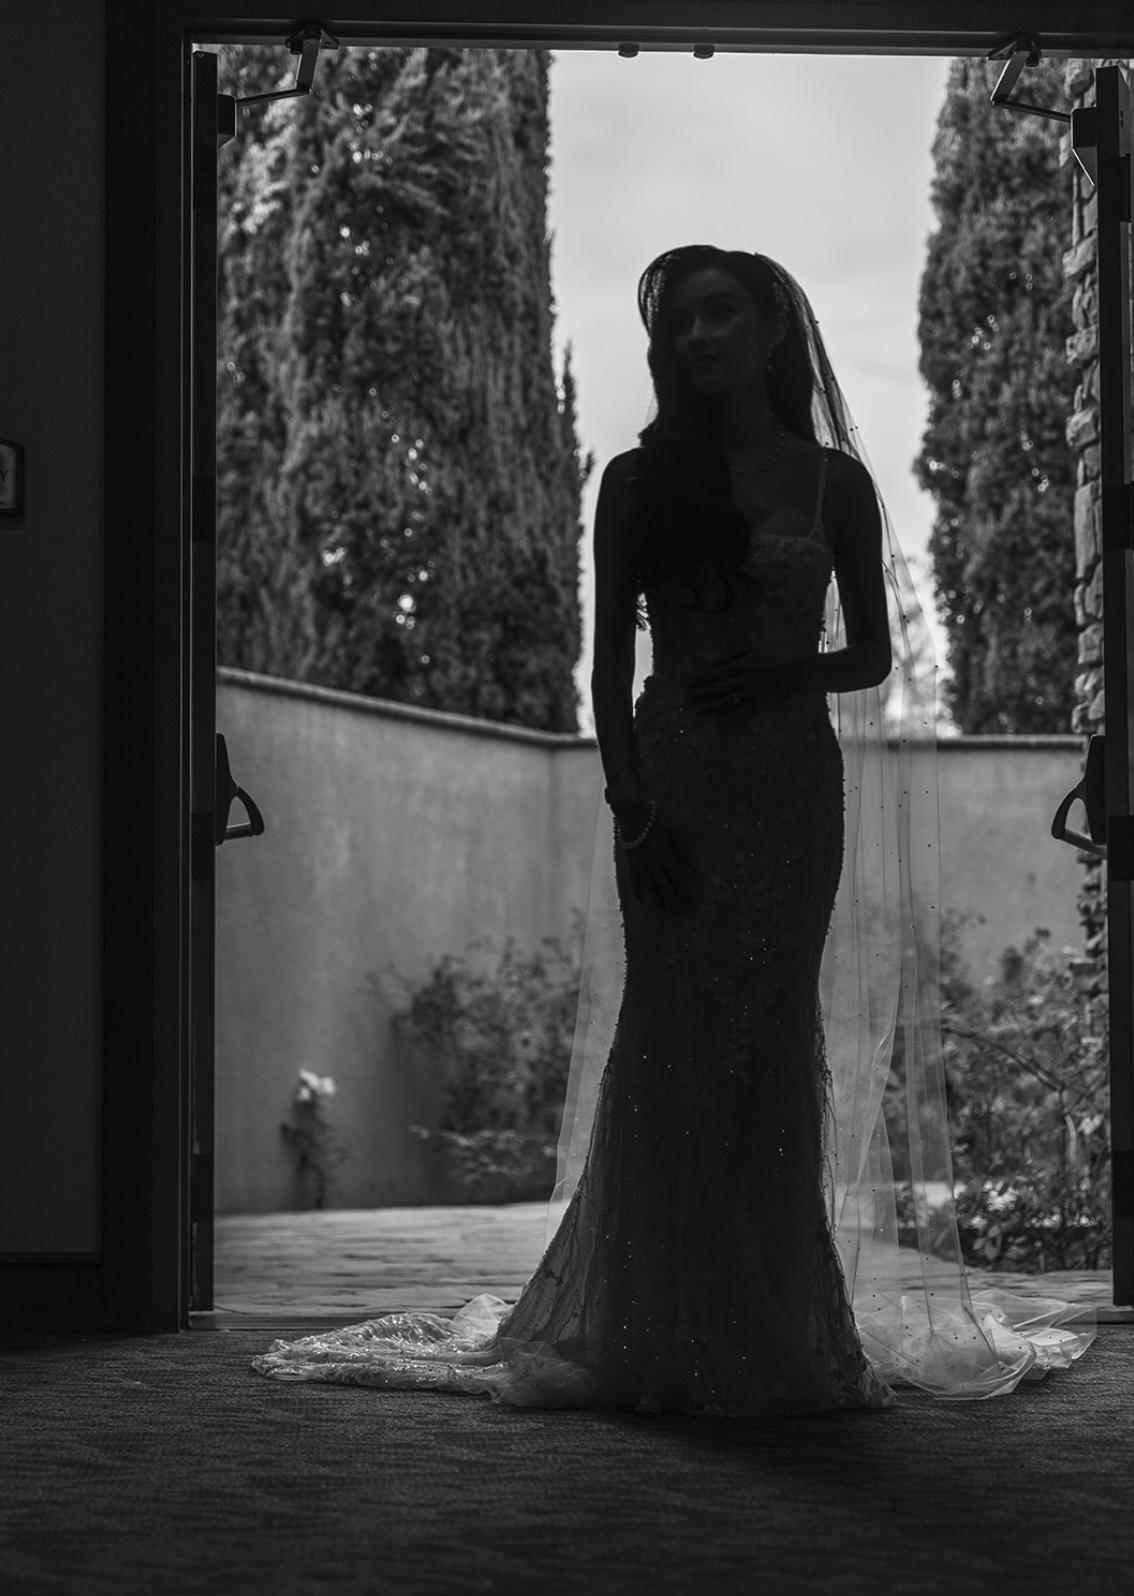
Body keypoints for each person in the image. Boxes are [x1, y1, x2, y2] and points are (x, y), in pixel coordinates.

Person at [252, 247, 1096, 1414]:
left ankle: (777, 1320)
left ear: (769, 332)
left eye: (718, 313)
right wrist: (632, 806)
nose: (697, 336)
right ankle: (655, 1322)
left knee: (767, 1043)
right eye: (679, 322)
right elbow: (606, 668)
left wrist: (784, 666)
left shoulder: (832, 483)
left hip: (793, 788)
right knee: (671, 1046)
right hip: (676, 795)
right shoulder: (639, 482)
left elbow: (874, 655)